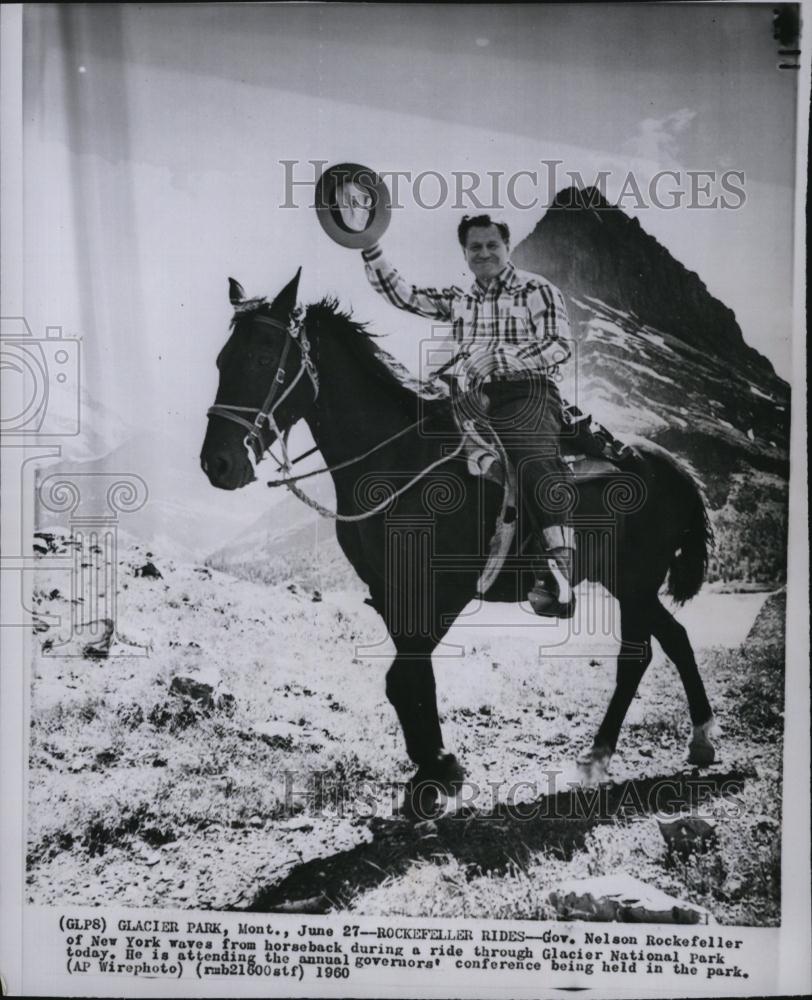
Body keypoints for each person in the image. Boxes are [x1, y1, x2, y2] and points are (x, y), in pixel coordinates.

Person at [361, 214, 576, 617]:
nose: (483, 253)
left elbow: (560, 344)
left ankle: (559, 567)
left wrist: (502, 358)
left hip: (527, 393)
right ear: (465, 252)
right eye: (474, 247)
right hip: (472, 398)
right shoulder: (462, 298)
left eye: (491, 245)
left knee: (531, 456)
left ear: (506, 246)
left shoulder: (537, 289)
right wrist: (369, 245)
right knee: (414, 443)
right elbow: (405, 295)